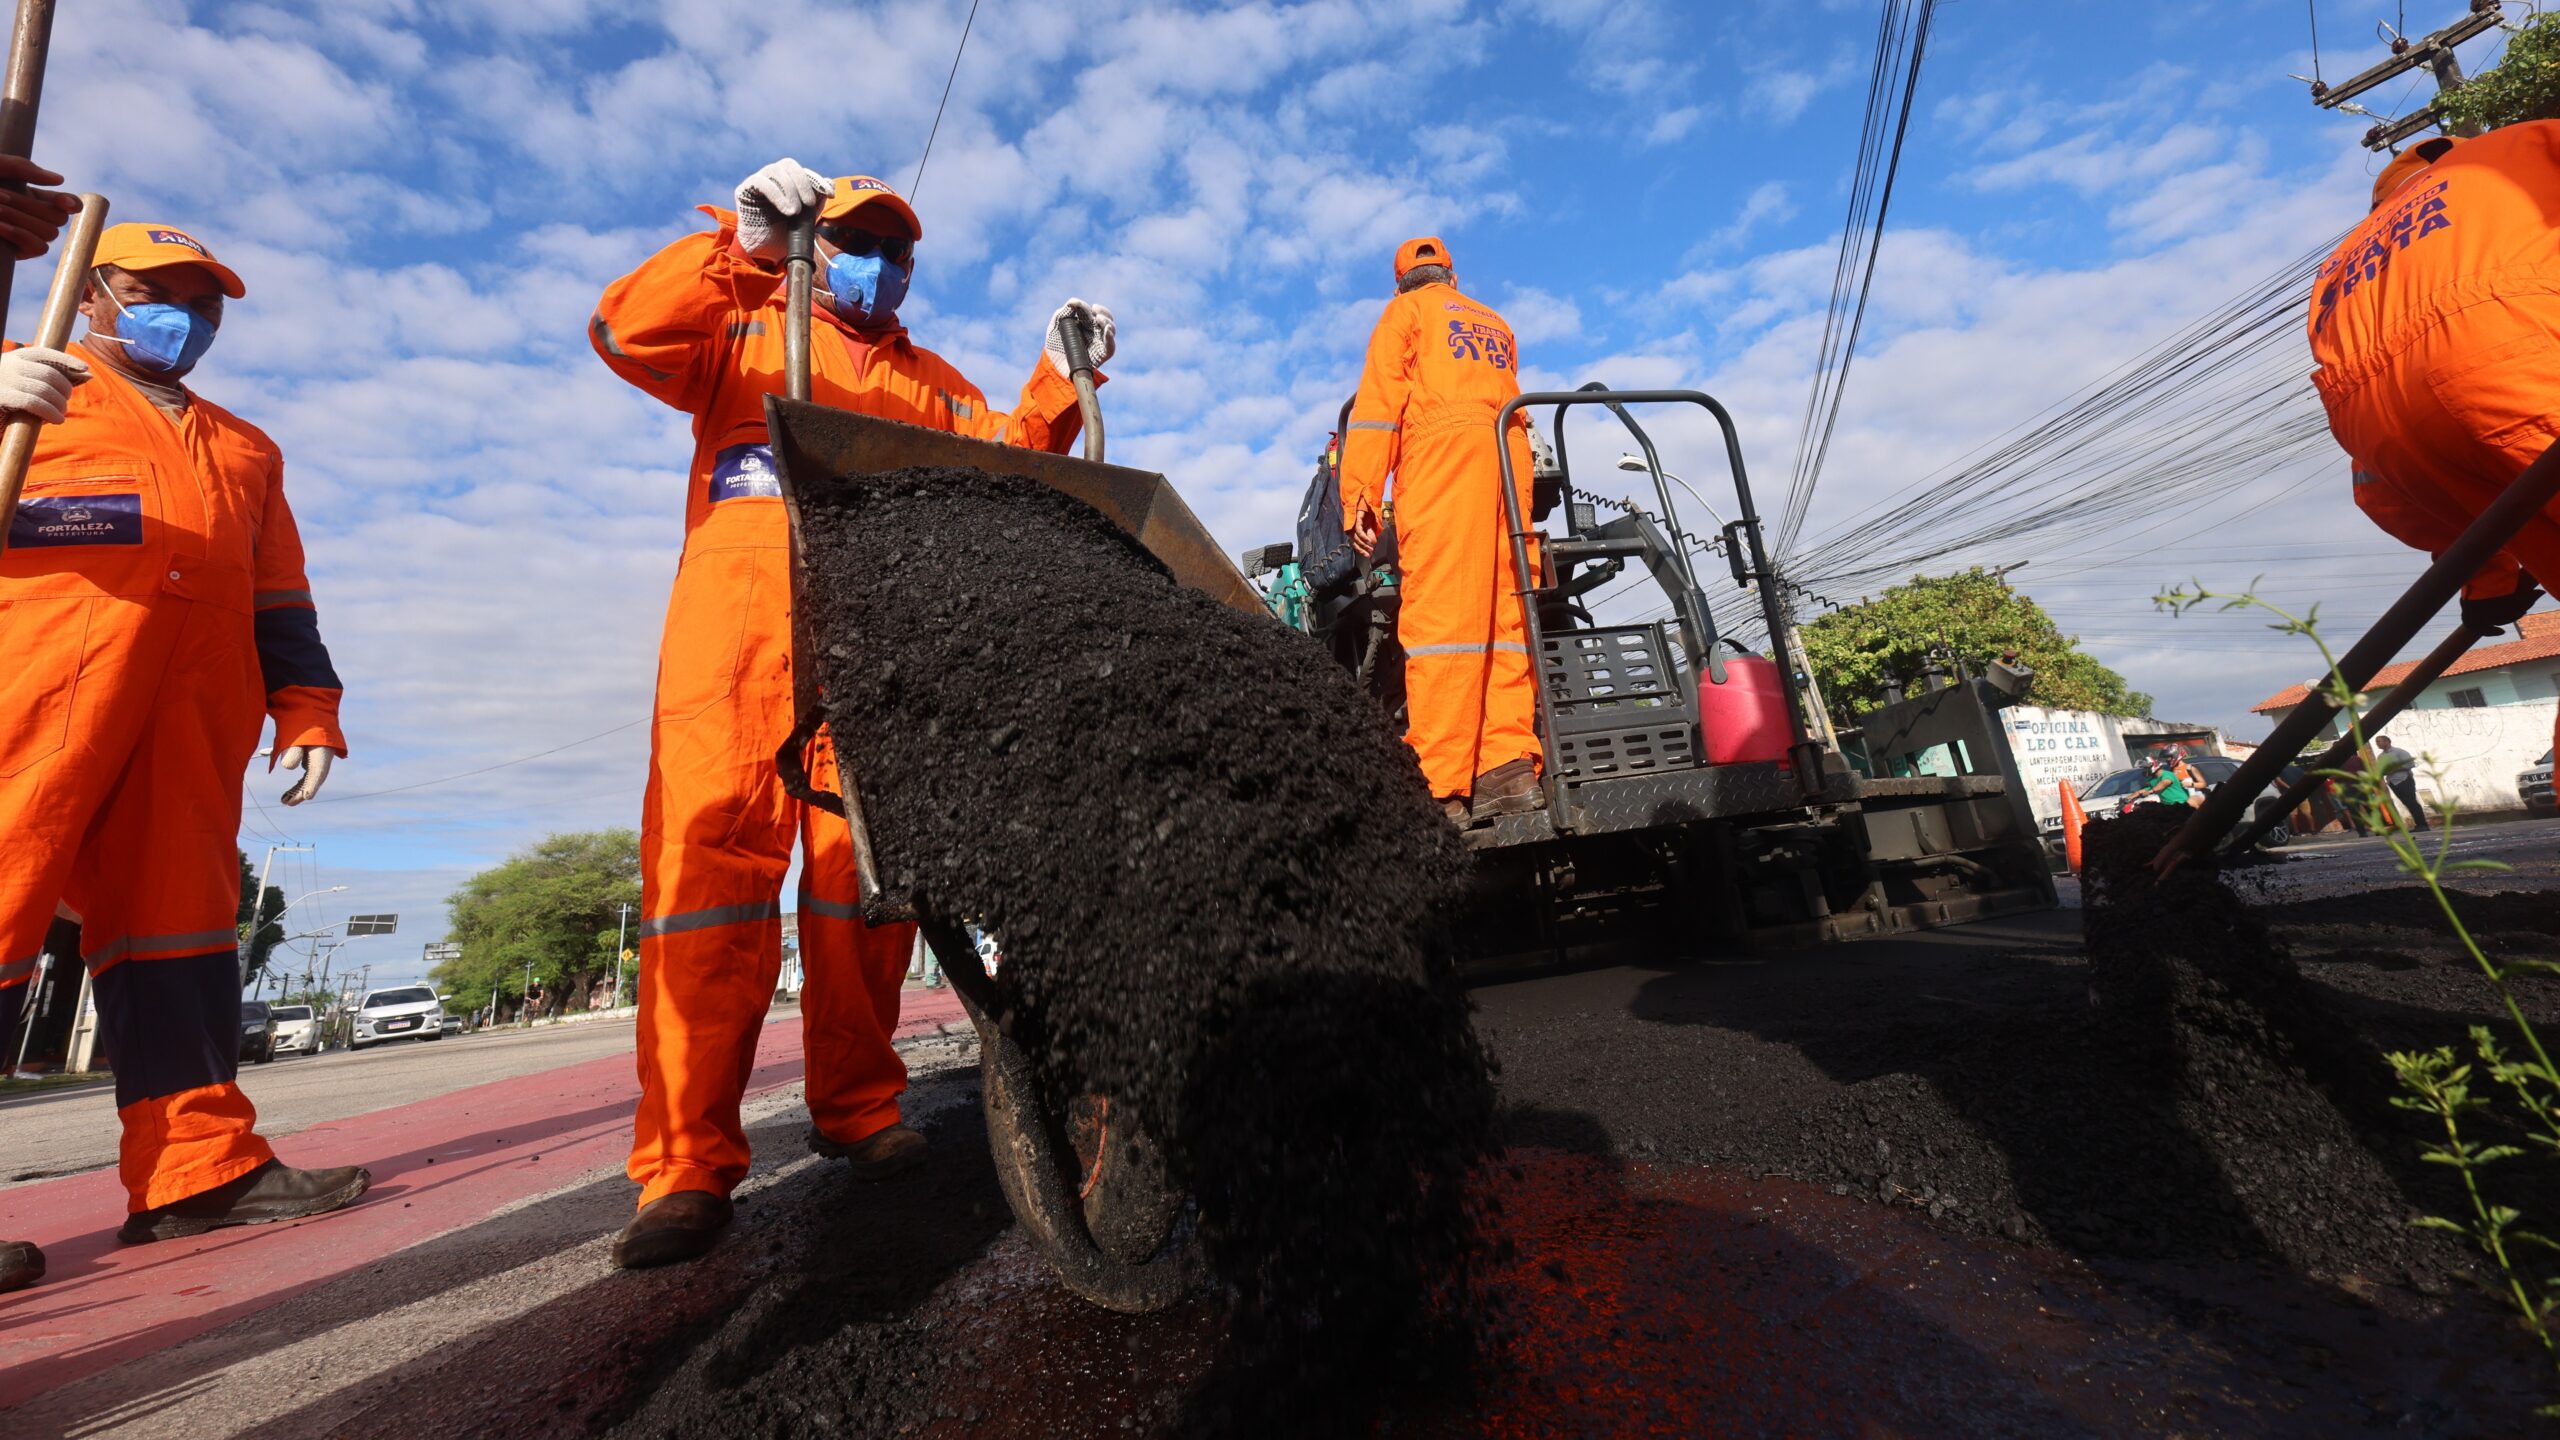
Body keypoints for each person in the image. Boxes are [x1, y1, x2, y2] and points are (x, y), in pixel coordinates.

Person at [591, 159, 1116, 1269]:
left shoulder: (929, 382)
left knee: (857, 887)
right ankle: (685, 1165)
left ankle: (856, 1106)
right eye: (853, 240)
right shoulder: (740, 330)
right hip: (736, 644)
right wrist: (740, 251)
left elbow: (1009, 454)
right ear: (815, 247)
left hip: (874, 648)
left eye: (895, 249)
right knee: (706, 888)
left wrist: (1060, 376)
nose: (877, 263)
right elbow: (624, 333)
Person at [0, 214, 370, 1249]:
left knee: (179, 940)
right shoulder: (26, 387)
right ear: (91, 295)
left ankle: (197, 1171)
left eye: (204, 300)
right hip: (35, 703)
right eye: (159, 291)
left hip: (191, 728)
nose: (187, 315)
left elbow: (281, 600)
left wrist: (308, 708)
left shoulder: (249, 449)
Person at [2311, 126, 2560, 761]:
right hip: (2521, 354)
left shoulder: (2336, 270)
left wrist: (2485, 578)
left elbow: (2387, 486)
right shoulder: (2521, 147)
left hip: (2388, 440)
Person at [1336, 237, 1542, 824]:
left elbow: (1378, 405)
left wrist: (1360, 498)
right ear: (1451, 275)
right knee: (1507, 609)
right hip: (1511, 450)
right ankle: (1506, 769)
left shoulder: (1405, 314)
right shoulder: (1494, 321)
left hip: (1445, 451)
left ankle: (1442, 783)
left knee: (1446, 615)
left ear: (1402, 281)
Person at [2374, 735, 2429, 832]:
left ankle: (2422, 824)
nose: (2377, 744)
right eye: (2377, 742)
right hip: (2392, 781)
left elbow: (2410, 764)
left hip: (2404, 779)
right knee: (2406, 802)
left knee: (2412, 801)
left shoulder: (2399, 752)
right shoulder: (2381, 756)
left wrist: (2394, 769)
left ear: (2387, 741)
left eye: (2379, 741)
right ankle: (2418, 824)